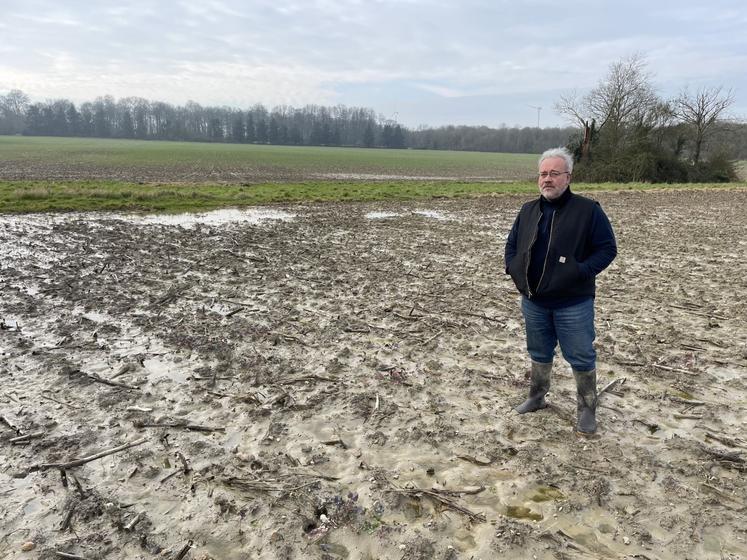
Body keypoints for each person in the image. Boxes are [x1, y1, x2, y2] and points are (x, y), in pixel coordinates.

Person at [504, 147, 617, 435]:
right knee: (539, 351)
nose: (547, 179)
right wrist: (514, 268)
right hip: (534, 301)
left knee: (580, 355)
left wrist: (580, 271)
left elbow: (607, 249)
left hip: (573, 302)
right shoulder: (528, 210)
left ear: (568, 177)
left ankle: (586, 408)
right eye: (543, 174)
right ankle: (537, 396)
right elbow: (512, 245)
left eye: (554, 173)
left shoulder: (588, 210)